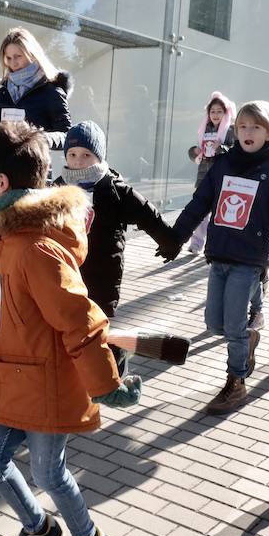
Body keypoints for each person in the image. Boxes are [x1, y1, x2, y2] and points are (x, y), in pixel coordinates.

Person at [0, 120, 124, 536]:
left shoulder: (34, 246)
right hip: (13, 374)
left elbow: (79, 319)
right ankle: (40, 529)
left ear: (0, 183)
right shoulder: (4, 236)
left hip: (48, 380)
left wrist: (105, 384)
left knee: (48, 472)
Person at [169, 101, 269, 415]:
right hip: (220, 254)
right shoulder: (223, 164)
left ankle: (236, 381)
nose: (248, 132)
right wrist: (177, 236)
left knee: (232, 327)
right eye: (243, 126)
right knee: (214, 323)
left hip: (250, 257)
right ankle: (249, 333)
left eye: (256, 127)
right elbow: (199, 203)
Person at [54, 120, 180, 374]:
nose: (78, 161)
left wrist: (169, 243)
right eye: (73, 155)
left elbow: (149, 215)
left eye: (86, 155)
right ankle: (77, 371)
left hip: (103, 272)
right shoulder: (57, 187)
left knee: (97, 324)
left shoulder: (114, 189)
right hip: (67, 271)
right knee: (70, 324)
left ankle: (115, 357)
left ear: (99, 157)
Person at [0, 28, 73, 149]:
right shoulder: (5, 91)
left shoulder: (51, 91)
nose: (13, 63)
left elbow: (67, 135)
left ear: (31, 54)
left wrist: (41, 139)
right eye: (8, 58)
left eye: (17, 56)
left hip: (35, 164)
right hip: (2, 164)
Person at [186, 92, 236, 254]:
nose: (215, 115)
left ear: (225, 112)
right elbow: (197, 154)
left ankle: (214, 246)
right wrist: (194, 151)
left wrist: (220, 148)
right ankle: (196, 244)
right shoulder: (204, 128)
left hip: (222, 178)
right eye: (212, 111)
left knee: (219, 214)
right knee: (200, 212)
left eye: (219, 111)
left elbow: (236, 151)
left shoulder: (231, 130)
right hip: (203, 176)